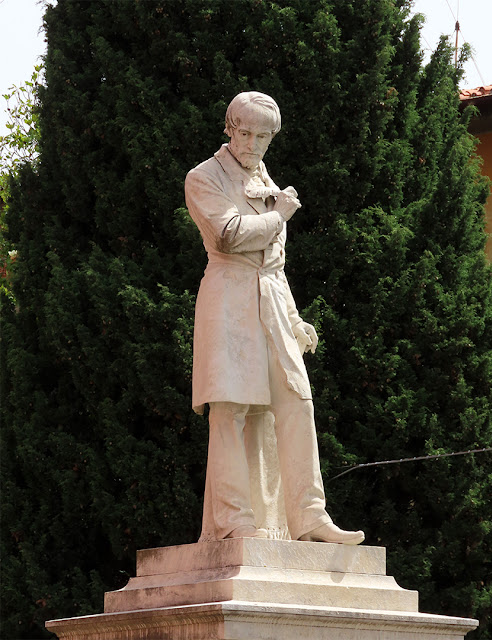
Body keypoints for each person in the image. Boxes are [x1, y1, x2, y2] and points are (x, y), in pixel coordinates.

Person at [185, 91, 364, 545]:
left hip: (270, 303)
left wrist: (294, 316)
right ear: (229, 128)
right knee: (230, 411)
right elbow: (228, 236)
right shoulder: (204, 178)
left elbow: (275, 265)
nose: (252, 144)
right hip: (227, 301)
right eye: (245, 133)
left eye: (263, 137)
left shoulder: (265, 178)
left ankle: (309, 517)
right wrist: (280, 215)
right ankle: (235, 521)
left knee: (296, 402)